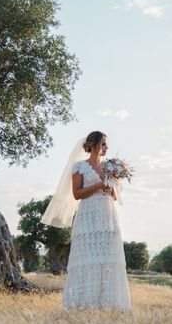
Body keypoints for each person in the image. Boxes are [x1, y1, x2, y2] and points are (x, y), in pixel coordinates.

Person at [41, 131, 131, 311]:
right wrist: (99, 185)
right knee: (87, 258)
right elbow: (77, 194)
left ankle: (108, 303)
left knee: (108, 257)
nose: (106, 148)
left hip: (107, 215)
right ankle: (82, 302)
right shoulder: (79, 166)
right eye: (104, 144)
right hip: (88, 215)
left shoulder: (110, 166)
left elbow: (114, 196)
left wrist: (110, 189)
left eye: (107, 145)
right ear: (94, 145)